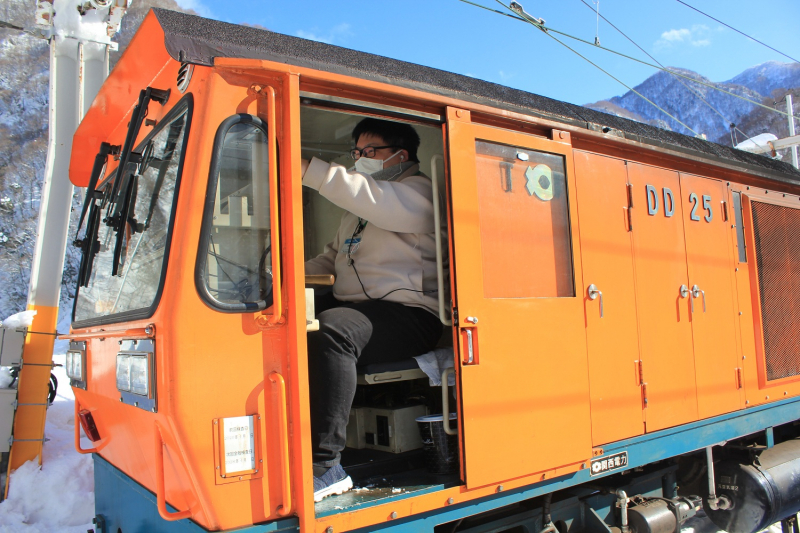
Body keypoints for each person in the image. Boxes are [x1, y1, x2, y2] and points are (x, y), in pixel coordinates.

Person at [301, 118, 443, 501]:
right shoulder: (358, 212)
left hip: (410, 314)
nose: (360, 159)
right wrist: (281, 277)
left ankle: (325, 466)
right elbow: (331, 259)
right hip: (362, 308)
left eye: (369, 152)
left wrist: (308, 170)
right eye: (356, 153)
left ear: (401, 154)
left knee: (332, 331)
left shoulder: (418, 194)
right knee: (285, 317)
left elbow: (376, 201)